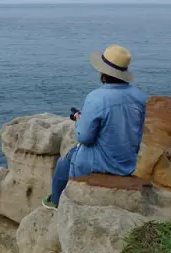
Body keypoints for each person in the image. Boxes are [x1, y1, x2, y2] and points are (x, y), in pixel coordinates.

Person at [42, 44, 146, 209]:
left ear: (103, 72)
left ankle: (55, 201)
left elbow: (84, 137)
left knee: (64, 162)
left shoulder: (97, 97)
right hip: (126, 162)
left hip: (100, 164)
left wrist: (79, 121)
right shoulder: (138, 96)